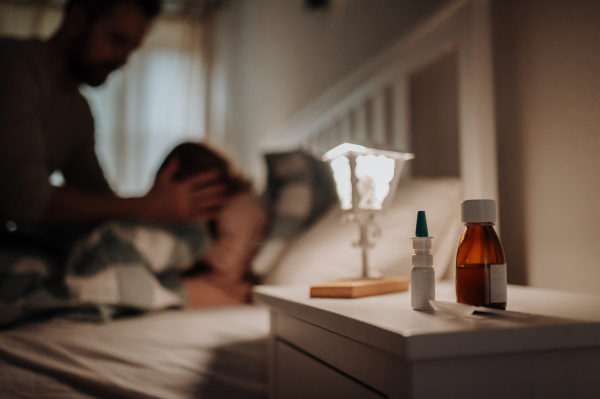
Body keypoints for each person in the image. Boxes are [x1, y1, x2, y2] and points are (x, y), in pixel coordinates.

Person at [0, 0, 226, 259]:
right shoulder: (12, 66)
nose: (123, 61)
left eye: (132, 49)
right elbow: (22, 196)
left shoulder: (79, 114)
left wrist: (162, 211)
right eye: (118, 40)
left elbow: (99, 199)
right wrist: (148, 206)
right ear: (76, 20)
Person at [156, 143, 267, 307]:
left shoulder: (242, 205)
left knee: (157, 291)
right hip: (209, 281)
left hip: (229, 290)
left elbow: (228, 262)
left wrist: (191, 232)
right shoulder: (214, 212)